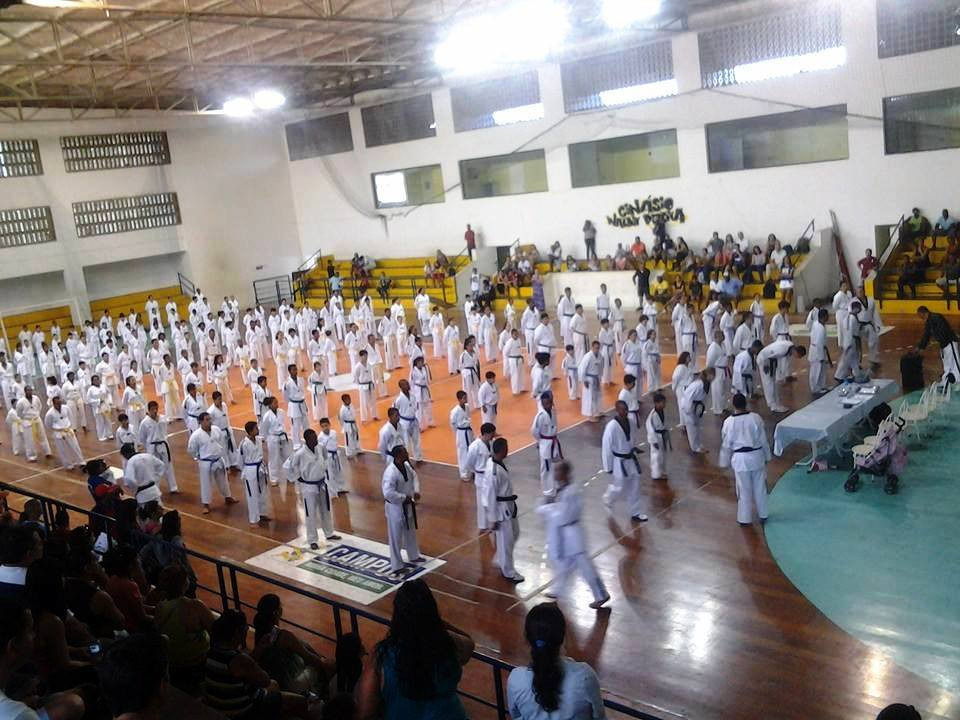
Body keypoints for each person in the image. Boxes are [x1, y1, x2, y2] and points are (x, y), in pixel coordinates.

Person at [356, 579, 472, 720]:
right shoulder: (448, 643)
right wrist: (435, 623)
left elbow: (366, 712)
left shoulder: (383, 655)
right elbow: (469, 644)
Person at [205, 609, 310, 719]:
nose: (246, 630)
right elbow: (265, 680)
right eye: (245, 627)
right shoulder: (239, 659)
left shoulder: (212, 651)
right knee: (301, 701)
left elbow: (240, 668)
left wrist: (259, 648)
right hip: (243, 712)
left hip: (221, 706)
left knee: (274, 685)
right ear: (237, 632)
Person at [508, 602, 605, 720]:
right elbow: (599, 717)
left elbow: (516, 715)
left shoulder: (516, 678)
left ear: (527, 639)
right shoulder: (584, 676)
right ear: (563, 638)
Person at [536, 462, 609, 609]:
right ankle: (557, 591)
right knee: (563, 566)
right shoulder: (562, 489)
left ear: (565, 473)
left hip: (573, 536)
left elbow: (564, 516)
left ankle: (601, 594)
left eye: (558, 470)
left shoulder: (572, 491)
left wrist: (547, 508)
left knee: (586, 568)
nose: (555, 473)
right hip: (565, 535)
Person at [0, 597, 85, 720]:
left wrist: (20, 699)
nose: (34, 636)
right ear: (13, 646)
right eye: (30, 631)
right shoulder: (20, 715)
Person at [252, 594, 333, 694]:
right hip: (289, 685)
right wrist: (324, 664)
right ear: (277, 612)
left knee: (303, 644)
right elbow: (309, 658)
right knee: (325, 666)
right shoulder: (284, 636)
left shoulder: (260, 632)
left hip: (273, 678)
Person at [153, 564, 213, 693]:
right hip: (197, 662)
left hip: (174, 662)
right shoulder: (195, 606)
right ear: (183, 584)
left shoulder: (160, 607)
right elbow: (216, 630)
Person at [719, 393, 773, 526]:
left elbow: (726, 444)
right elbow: (763, 440)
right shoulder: (756, 418)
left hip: (740, 459)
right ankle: (763, 514)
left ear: (734, 405)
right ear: (746, 403)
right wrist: (767, 456)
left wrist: (724, 461)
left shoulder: (728, 422)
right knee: (760, 487)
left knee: (743, 489)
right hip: (756, 456)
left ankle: (745, 518)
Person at [285, 429, 340, 550]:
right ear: (307, 440)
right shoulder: (300, 453)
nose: (315, 440)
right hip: (308, 486)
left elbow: (326, 459)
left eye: (316, 437)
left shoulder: (320, 448)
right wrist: (297, 478)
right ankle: (312, 539)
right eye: (313, 438)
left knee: (326, 510)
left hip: (321, 483)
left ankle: (329, 533)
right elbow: (287, 466)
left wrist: (324, 467)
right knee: (310, 513)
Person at [601, 400, 647, 522]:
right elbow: (606, 447)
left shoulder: (631, 423)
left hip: (630, 459)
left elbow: (632, 439)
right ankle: (608, 499)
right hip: (618, 461)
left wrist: (634, 448)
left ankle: (635, 512)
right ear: (617, 410)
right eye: (622, 409)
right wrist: (608, 466)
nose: (625, 412)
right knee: (619, 487)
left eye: (626, 409)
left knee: (635, 485)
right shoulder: (611, 427)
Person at [381, 446, 424, 574]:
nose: (407, 453)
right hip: (395, 507)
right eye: (405, 452)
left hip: (407, 504)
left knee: (410, 530)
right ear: (398, 455)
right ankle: (397, 565)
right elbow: (387, 493)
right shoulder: (390, 472)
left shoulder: (406, 466)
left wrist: (416, 491)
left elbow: (415, 477)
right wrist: (404, 497)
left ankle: (413, 555)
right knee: (395, 536)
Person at [187, 412, 238, 514]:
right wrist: (197, 458)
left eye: (210, 419)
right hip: (205, 462)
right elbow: (191, 450)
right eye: (206, 420)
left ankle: (228, 497)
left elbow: (221, 442)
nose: (209, 421)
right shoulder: (196, 435)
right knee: (206, 483)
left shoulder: (216, 429)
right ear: (200, 422)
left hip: (218, 459)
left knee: (223, 480)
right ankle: (206, 504)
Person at [915, 305, 960, 384]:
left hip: (950, 343)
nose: (919, 317)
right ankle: (947, 381)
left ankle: (957, 380)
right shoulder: (929, 322)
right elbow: (926, 335)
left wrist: (939, 339)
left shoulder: (936, 317)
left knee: (955, 364)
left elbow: (943, 330)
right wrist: (920, 347)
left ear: (923, 312)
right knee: (947, 364)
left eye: (919, 315)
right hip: (944, 345)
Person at [758, 342, 806, 413]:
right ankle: (772, 405)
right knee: (769, 383)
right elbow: (766, 354)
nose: (797, 358)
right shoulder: (781, 350)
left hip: (771, 361)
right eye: (799, 356)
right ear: (796, 352)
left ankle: (777, 403)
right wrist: (765, 365)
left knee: (773, 383)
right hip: (764, 360)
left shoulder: (790, 346)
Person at [531, 391, 562, 497]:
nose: (549, 405)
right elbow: (534, 431)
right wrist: (541, 441)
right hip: (545, 443)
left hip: (554, 441)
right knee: (546, 467)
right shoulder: (540, 416)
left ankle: (556, 484)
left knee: (555, 465)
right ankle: (547, 490)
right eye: (546, 403)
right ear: (543, 403)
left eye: (550, 402)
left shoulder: (553, 411)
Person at [44, 396, 85, 470]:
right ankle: (68, 465)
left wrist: (70, 427)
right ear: (53, 404)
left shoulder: (66, 408)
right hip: (59, 433)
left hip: (68, 430)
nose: (59, 405)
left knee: (75, 446)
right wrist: (56, 430)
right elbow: (48, 424)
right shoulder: (49, 414)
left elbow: (70, 417)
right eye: (57, 403)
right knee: (63, 450)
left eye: (60, 403)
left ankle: (81, 462)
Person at [679, 368, 714, 453]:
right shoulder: (698, 385)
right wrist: (689, 410)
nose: (713, 377)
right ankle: (695, 447)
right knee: (692, 427)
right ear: (708, 375)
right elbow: (687, 396)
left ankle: (698, 444)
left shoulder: (706, 384)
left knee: (697, 426)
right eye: (712, 375)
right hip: (688, 405)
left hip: (696, 406)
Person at [646, 392, 670, 481]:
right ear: (656, 403)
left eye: (664, 402)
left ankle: (662, 471)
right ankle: (655, 474)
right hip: (656, 437)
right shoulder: (652, 415)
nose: (664, 404)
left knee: (663, 455)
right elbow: (650, 429)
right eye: (662, 403)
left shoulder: (661, 411)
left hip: (662, 435)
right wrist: (653, 441)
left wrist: (666, 432)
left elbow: (664, 424)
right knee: (656, 456)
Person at [577, 341, 604, 420]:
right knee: (589, 397)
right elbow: (581, 369)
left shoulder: (600, 356)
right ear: (592, 347)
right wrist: (584, 380)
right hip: (588, 379)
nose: (597, 349)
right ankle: (589, 415)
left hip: (596, 378)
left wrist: (600, 377)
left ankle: (597, 411)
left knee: (597, 396)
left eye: (598, 348)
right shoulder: (588, 356)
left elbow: (601, 368)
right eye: (596, 348)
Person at [808, 308, 832, 394]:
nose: (828, 317)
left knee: (822, 370)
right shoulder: (820, 328)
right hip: (817, 350)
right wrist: (821, 356)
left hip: (820, 349)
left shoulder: (817, 324)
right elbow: (818, 343)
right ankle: (815, 388)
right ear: (824, 317)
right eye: (827, 316)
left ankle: (822, 385)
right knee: (816, 370)